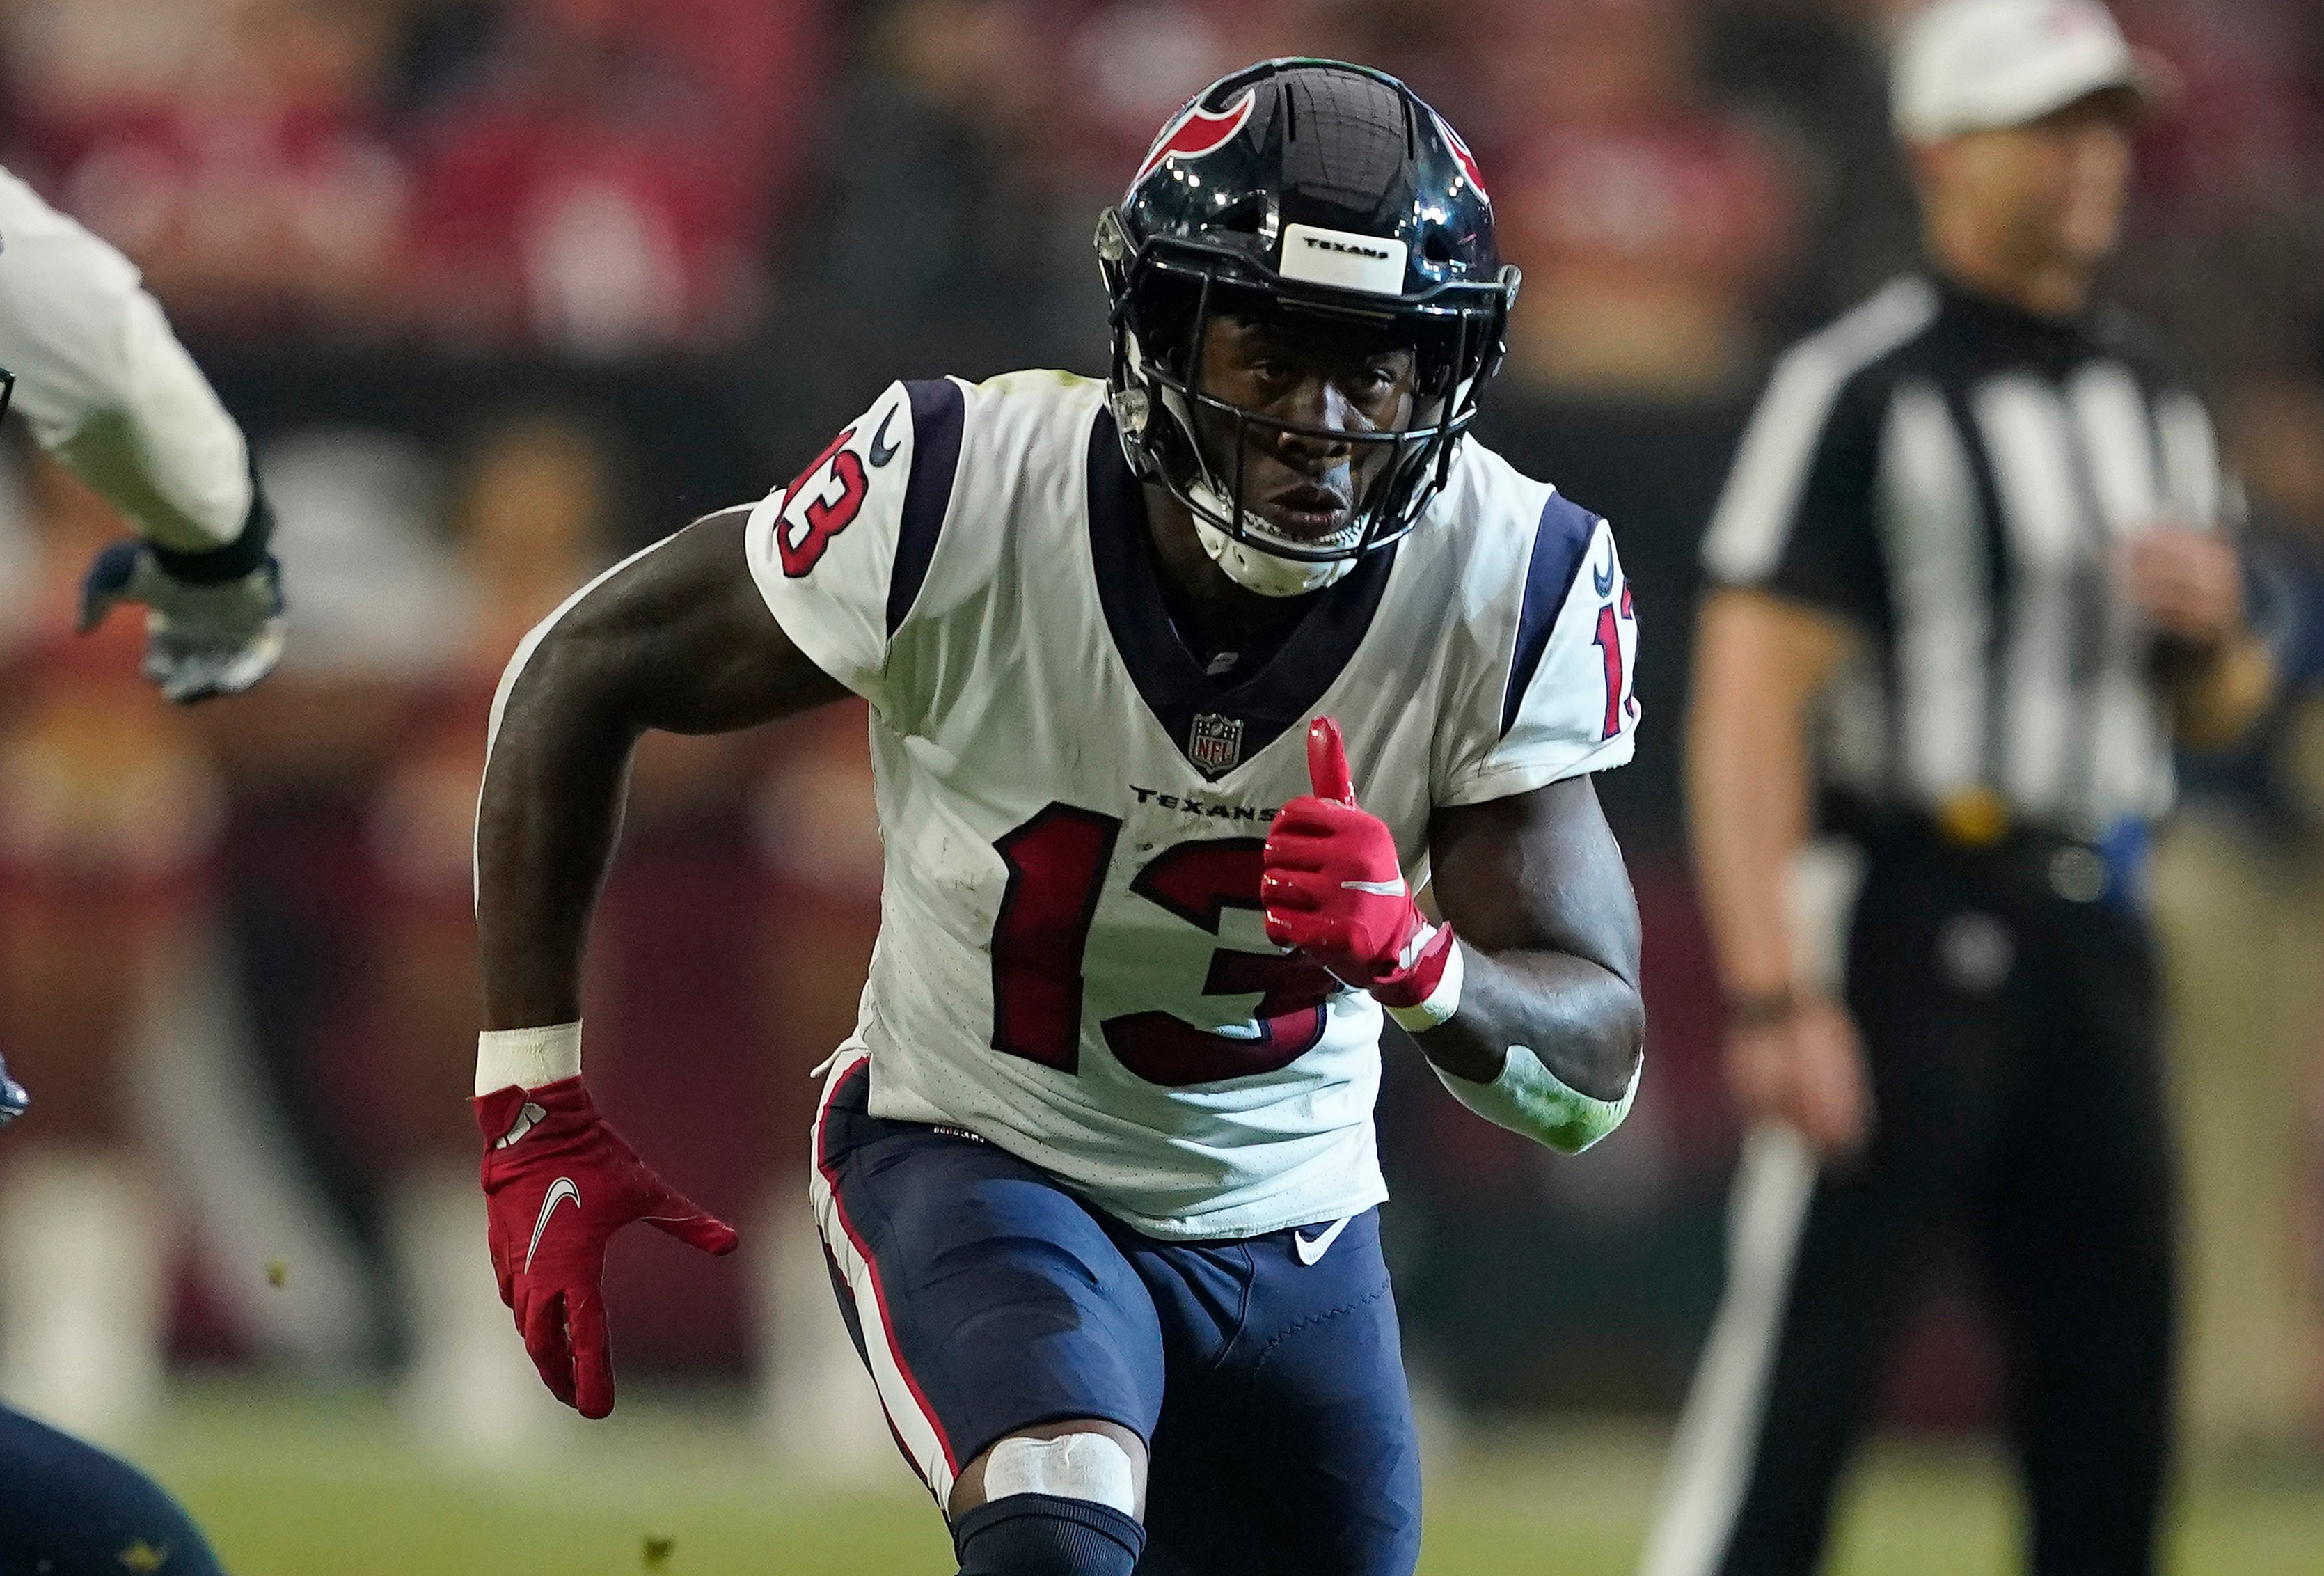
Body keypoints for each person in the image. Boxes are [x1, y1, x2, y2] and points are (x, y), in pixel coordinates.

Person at [472, 58, 1647, 1576]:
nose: (1327, 422)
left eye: (1383, 363)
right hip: (980, 1148)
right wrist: (530, 1103)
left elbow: (1593, 1069)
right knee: (1058, 1511)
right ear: (1162, 330)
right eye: (1277, 351)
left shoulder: (1511, 574)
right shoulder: (966, 487)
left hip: (1297, 1228)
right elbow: (582, 667)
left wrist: (1425, 961)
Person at [1640, 4, 2279, 1575]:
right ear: (1938, 152)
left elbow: (2222, 698)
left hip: (2094, 915)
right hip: (1907, 909)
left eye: (2106, 125)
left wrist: (2216, 635)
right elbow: (1745, 706)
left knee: (2112, 1386)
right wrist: (1779, 991)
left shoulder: (2154, 397)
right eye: (2047, 124)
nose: (2087, 161)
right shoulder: (1859, 390)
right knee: (1806, 1377)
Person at [0, 147, 276, 1576]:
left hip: (140, 804)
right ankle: (41, 1319)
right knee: (36, 1057)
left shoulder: (187, 513)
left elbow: (245, 680)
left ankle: (103, 1319)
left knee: (118, 1064)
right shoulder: (2, 530)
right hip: (35, 804)